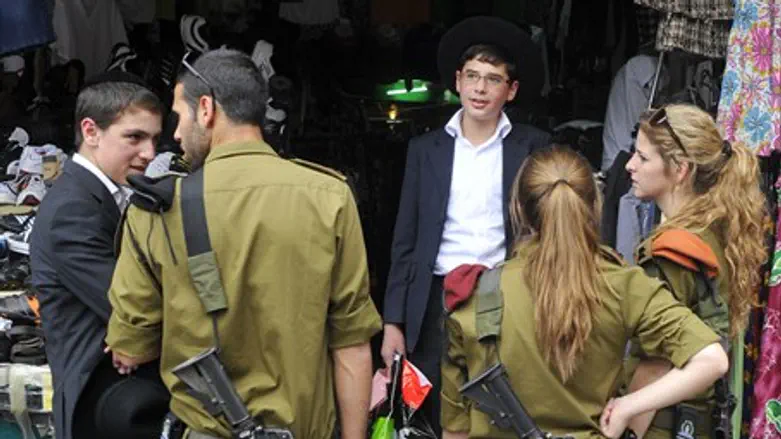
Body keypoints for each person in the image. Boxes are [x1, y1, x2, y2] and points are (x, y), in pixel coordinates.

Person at [104, 48, 382, 439]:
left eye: (179, 117)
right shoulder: (329, 196)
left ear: (206, 109)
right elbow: (352, 345)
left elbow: (132, 349)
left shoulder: (157, 211)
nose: (176, 134)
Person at [440, 145, 729, 439]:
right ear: (594, 206)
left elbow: (455, 430)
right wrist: (628, 407)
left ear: (519, 209)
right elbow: (712, 360)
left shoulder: (476, 295)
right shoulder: (625, 286)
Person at [380, 16, 550, 432]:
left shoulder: (532, 147)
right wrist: (393, 323)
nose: (480, 88)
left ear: (511, 90)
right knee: (433, 409)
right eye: (472, 76)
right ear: (457, 82)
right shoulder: (425, 149)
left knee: (503, 404)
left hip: (505, 293)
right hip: (435, 298)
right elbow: (405, 241)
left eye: (493, 80)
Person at [29, 72, 169, 439]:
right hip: (100, 403)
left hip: (126, 398)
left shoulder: (111, 196)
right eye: (134, 137)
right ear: (90, 131)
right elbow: (131, 306)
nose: (149, 153)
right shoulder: (72, 209)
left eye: (154, 139)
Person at [623, 104, 767, 438]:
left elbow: (656, 363)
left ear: (681, 169)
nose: (630, 165)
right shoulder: (717, 232)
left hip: (660, 423)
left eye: (643, 158)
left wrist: (626, 428)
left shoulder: (672, 252)